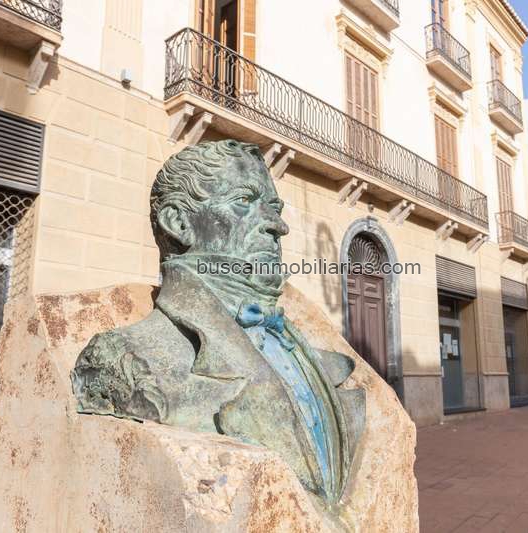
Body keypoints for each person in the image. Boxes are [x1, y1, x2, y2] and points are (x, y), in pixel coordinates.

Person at [70, 140, 364, 505]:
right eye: (244, 201)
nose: (278, 226)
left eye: (274, 208)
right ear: (179, 223)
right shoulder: (127, 358)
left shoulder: (306, 351)